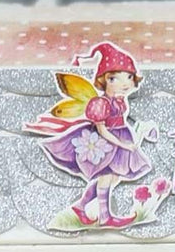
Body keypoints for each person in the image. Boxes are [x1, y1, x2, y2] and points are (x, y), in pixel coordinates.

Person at [26, 41, 154, 229]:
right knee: (106, 177)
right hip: (105, 142)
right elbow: (102, 130)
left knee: (114, 178)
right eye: (115, 78)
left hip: (119, 136)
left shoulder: (119, 101)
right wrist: (124, 144)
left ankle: (80, 206)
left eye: (129, 77)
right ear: (104, 80)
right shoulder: (101, 104)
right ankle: (105, 217)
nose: (125, 83)